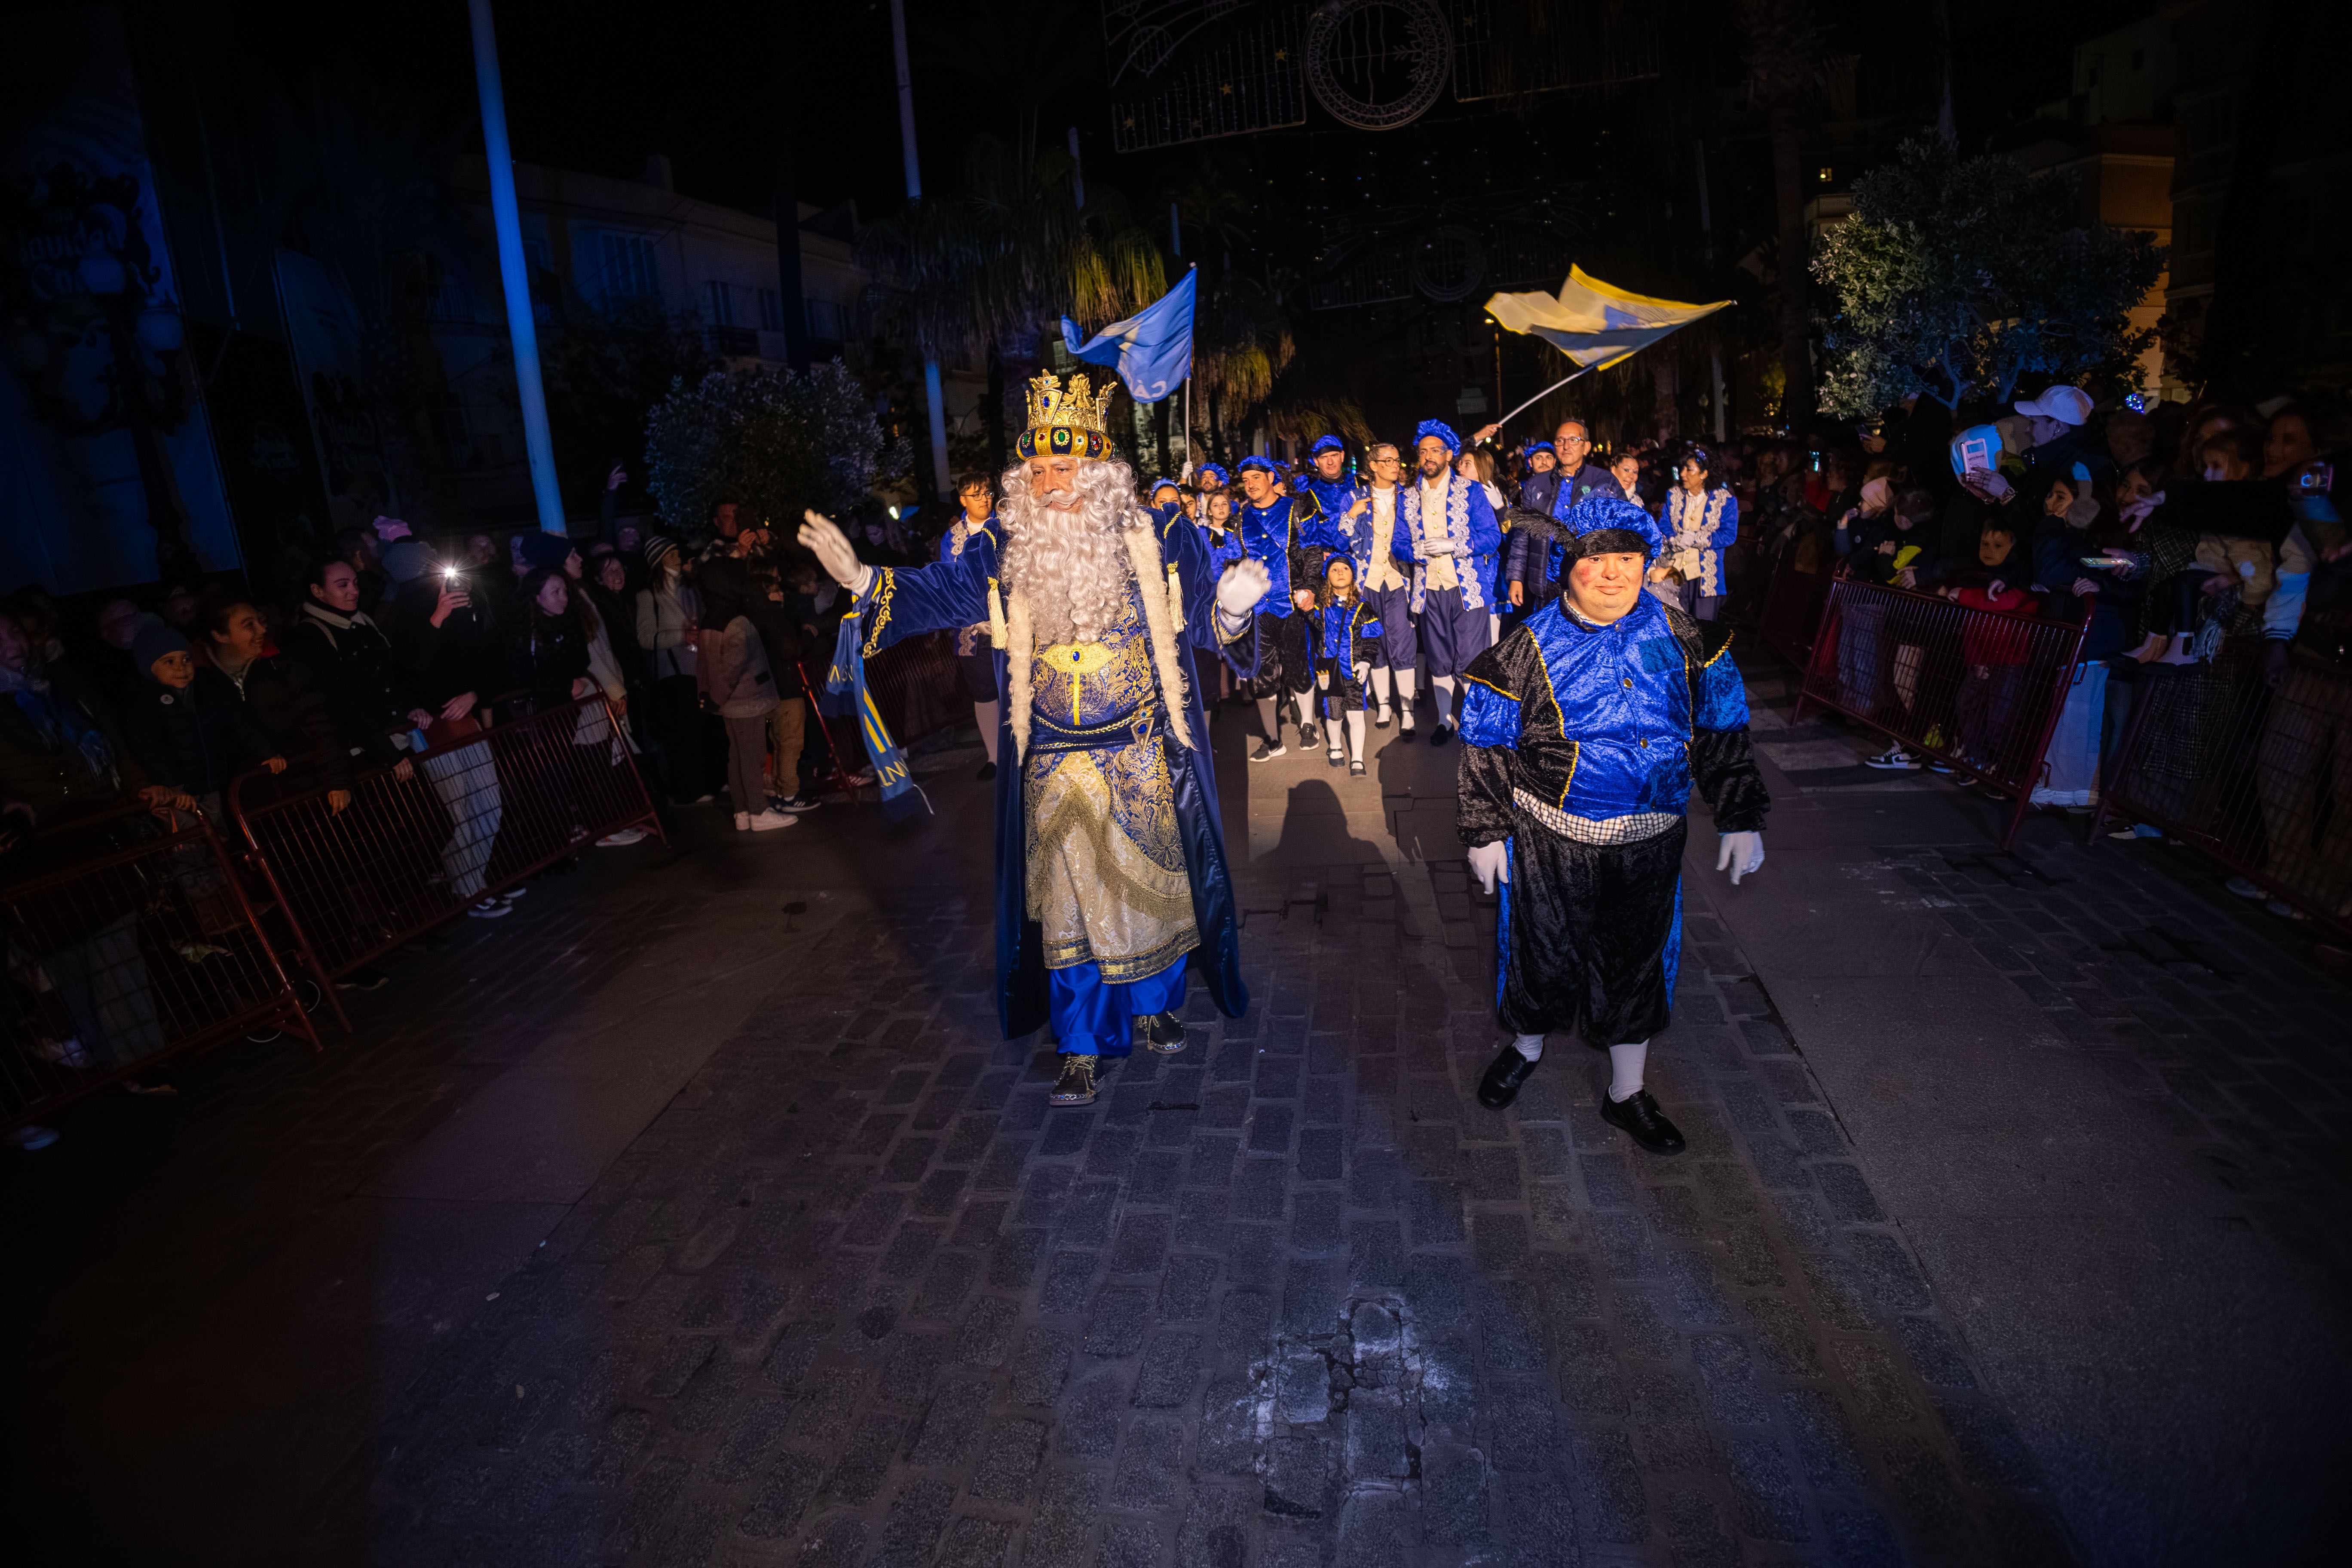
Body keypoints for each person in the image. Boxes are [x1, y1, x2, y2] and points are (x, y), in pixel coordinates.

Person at [796, 370, 1268, 1108]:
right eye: (1038, 470)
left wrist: (1235, 614)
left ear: (1102, 472)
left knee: (1149, 893)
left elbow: (1208, 616)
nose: (1050, 483)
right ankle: (1080, 1040)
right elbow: (941, 593)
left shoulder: (1161, 535)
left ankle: (1155, 1002)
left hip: (1139, 751)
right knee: (1071, 906)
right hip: (1052, 758)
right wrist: (863, 577)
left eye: (1065, 467)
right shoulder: (1003, 549)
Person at [1456, 496, 1770, 1154]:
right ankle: (1527, 1047)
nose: (1612, 573)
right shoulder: (1523, 649)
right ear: (1571, 564)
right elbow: (1486, 744)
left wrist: (1740, 815)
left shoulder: (1691, 641)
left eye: (1626, 559)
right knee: (1542, 955)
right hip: (1551, 841)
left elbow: (1722, 730)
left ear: (1645, 562)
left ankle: (1626, 1093)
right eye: (1596, 559)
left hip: (1652, 845)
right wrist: (1485, 830)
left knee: (1636, 965)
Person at [384, 540, 510, 919]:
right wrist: (436, 619)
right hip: (431, 728)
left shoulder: (469, 608)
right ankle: (469, 889)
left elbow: (489, 663)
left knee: (489, 804)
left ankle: (473, 881)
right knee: (460, 813)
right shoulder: (402, 613)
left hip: (464, 718)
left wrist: (475, 694)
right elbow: (409, 671)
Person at [1394, 421, 1502, 744]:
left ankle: (1474, 721)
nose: (1428, 457)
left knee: (1471, 657)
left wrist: (1455, 545)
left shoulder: (1470, 491)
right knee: (1439, 657)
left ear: (1449, 455)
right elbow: (1398, 542)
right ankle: (1445, 721)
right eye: (1423, 451)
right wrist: (1412, 550)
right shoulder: (1409, 497)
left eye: (1435, 451)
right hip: (1428, 591)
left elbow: (1492, 537)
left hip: (1467, 589)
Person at [121, 619, 287, 821]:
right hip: (179, 795)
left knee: (220, 835)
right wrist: (176, 788)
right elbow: (153, 751)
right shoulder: (144, 704)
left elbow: (239, 722)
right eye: (169, 662)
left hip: (214, 785)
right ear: (149, 668)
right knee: (192, 842)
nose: (181, 668)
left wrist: (268, 752)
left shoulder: (207, 689)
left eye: (186, 660)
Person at [1234, 453, 1341, 760]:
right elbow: (1235, 560)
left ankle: (1308, 725)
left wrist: (1309, 588)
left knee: (1299, 667)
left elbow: (1312, 553)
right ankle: (1272, 739)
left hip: (1291, 605)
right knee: (1261, 674)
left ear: (1270, 478)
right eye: (1245, 481)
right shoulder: (1241, 518)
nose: (1251, 485)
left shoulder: (1298, 509)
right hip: (1257, 609)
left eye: (1256, 478)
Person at [197, 601, 350, 808]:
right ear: (220, 636)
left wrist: (337, 780)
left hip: (306, 789)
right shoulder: (203, 687)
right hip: (251, 802)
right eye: (248, 625)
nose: (262, 629)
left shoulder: (283, 671)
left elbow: (321, 727)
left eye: (261, 621)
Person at [695, 559, 795, 833]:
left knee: (737, 757)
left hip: (728, 705)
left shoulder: (711, 618)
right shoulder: (736, 621)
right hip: (746, 701)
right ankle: (759, 811)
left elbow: (704, 664)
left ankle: (742, 812)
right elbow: (732, 669)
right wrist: (717, 695)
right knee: (752, 757)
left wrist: (708, 696)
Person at [635, 536, 712, 806]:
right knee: (681, 732)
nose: (677, 558)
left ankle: (704, 783)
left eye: (676, 553)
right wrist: (681, 637)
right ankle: (685, 790)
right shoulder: (648, 597)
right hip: (672, 673)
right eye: (670, 555)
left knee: (700, 728)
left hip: (697, 667)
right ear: (659, 561)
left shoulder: (690, 589)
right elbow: (646, 637)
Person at [1351, 444, 1419, 734]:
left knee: (1402, 643)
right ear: (1374, 466)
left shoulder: (1409, 497)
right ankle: (1384, 706)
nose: (1395, 465)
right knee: (1374, 643)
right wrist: (1351, 516)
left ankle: (1407, 711)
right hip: (1365, 581)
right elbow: (1339, 538)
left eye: (1397, 459)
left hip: (1399, 580)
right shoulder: (1354, 497)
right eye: (1388, 461)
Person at [943, 472, 1005, 781]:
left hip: (1010, 623)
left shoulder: (1006, 524)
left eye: (987, 493)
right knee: (983, 692)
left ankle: (1021, 750)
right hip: (972, 630)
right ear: (963, 500)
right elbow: (954, 581)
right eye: (976, 494)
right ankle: (994, 757)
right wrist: (976, 617)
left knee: (1017, 686)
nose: (984, 498)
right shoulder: (953, 537)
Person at [1310, 552, 1382, 775]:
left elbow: (1372, 640)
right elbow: (1310, 626)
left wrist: (1366, 663)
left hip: (1353, 671)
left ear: (1353, 575)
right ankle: (1335, 747)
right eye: (1334, 570)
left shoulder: (1364, 608)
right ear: (1327, 576)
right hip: (1328, 671)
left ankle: (1358, 759)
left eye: (1345, 569)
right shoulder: (1320, 606)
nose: (1340, 573)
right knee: (1333, 713)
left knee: (1356, 713)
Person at [1657, 447, 1740, 622]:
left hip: (1706, 575)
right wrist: (1675, 538)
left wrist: (1697, 539)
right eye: (1683, 469)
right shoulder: (1674, 495)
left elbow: (1729, 535)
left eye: (1689, 470)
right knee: (1675, 623)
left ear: (1704, 474)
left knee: (1704, 627)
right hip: (1676, 571)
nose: (1683, 474)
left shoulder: (1725, 500)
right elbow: (1664, 523)